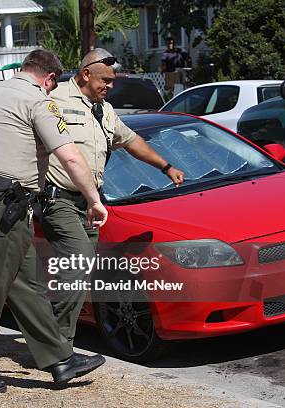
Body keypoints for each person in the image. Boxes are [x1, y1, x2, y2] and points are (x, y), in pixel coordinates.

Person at [0, 49, 108, 397]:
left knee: (26, 284)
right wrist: (94, 200)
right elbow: (70, 155)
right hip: (3, 207)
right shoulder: (38, 101)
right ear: (48, 79)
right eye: (51, 85)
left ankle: (60, 360)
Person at [43, 48, 185, 345]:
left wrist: (166, 166)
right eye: (105, 80)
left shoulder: (104, 110)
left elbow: (132, 142)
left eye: (112, 81)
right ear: (85, 74)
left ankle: (60, 345)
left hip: (90, 204)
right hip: (58, 199)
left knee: (81, 273)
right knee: (78, 264)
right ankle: (53, 343)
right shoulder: (53, 101)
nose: (110, 86)